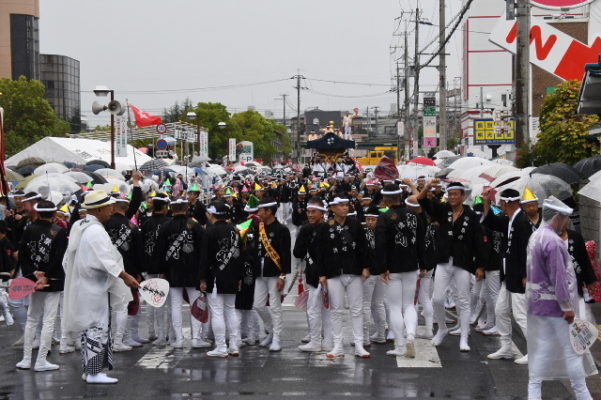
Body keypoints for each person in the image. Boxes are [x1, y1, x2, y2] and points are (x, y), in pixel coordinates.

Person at [62, 190, 139, 384]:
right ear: (97, 209)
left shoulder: (81, 224)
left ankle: (90, 370)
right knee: (97, 328)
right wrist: (125, 276)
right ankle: (94, 372)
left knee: (90, 329)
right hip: (93, 287)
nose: (112, 210)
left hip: (86, 284)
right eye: (108, 207)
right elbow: (106, 260)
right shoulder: (95, 230)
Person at [526, 196, 596, 400]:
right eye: (565, 218)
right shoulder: (554, 242)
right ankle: (583, 395)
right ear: (557, 217)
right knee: (573, 351)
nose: (567, 223)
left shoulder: (536, 236)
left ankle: (534, 393)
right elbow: (559, 278)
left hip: (539, 304)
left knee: (543, 349)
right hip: (557, 307)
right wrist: (567, 307)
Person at [417, 180, 485, 352]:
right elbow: (421, 200)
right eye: (451, 194)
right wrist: (427, 187)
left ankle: (464, 337)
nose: (453, 197)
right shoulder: (443, 210)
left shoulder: (471, 216)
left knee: (463, 300)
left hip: (463, 262)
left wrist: (480, 266)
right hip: (443, 260)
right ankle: (442, 328)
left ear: (463, 196)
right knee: (437, 299)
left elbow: (479, 241)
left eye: (456, 194)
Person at [15, 200, 68, 371]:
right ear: (54, 214)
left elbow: (22, 255)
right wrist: (46, 275)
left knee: (32, 318)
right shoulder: (59, 231)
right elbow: (59, 258)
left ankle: (26, 359)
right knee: (49, 320)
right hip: (53, 280)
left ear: (37, 212)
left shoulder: (29, 229)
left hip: (33, 280)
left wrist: (33, 274)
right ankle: (41, 361)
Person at [482, 188, 532, 364]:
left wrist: (526, 274)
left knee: (520, 314)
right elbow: (491, 222)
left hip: (519, 275)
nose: (501, 206)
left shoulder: (522, 222)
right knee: (500, 310)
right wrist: (486, 202)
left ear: (508, 202)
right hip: (507, 274)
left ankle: (534, 352)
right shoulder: (509, 220)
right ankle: (506, 347)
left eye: (502, 203)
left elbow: (528, 251)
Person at [317, 196, 370, 358]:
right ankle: (337, 345)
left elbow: (364, 246)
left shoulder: (355, 225)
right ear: (332, 208)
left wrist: (366, 267)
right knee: (336, 310)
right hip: (333, 273)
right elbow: (320, 252)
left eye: (347, 205)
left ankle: (359, 344)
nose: (345, 208)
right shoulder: (325, 227)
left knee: (356, 309)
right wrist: (321, 273)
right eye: (341, 206)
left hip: (354, 271)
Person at [376, 184, 426, 357]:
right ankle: (411, 333)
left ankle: (400, 344)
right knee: (409, 304)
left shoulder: (385, 217)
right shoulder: (414, 215)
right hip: (412, 265)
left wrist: (382, 268)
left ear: (387, 199)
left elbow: (380, 245)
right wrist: (424, 264)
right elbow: (421, 241)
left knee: (395, 307)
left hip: (393, 268)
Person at [157, 198, 209, 349]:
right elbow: (202, 251)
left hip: (172, 271)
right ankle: (196, 338)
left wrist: (162, 271)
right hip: (193, 271)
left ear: (172, 208)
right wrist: (203, 273)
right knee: (196, 304)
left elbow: (160, 252)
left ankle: (178, 339)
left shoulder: (166, 226)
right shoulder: (196, 225)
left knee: (175, 306)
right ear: (186, 208)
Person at [201, 199, 243, 358]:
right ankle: (233, 345)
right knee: (231, 310)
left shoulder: (209, 231)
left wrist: (202, 278)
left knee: (217, 312)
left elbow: (205, 258)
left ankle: (221, 347)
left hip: (216, 277)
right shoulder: (235, 230)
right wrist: (239, 276)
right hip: (233, 275)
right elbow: (240, 255)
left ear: (212, 214)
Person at [249, 197, 291, 352]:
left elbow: (286, 255)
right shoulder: (257, 227)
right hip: (259, 272)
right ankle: (271, 331)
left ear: (269, 211)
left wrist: (283, 275)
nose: (259, 213)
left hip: (274, 272)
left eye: (261, 210)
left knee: (275, 306)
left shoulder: (282, 230)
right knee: (258, 305)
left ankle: (277, 338)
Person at [105, 194, 145, 351]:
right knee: (128, 304)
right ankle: (124, 338)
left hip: (108, 269)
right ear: (127, 208)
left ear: (113, 207)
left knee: (108, 305)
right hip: (129, 272)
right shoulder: (132, 226)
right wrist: (139, 272)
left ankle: (109, 337)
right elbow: (138, 253)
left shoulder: (104, 224)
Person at [294, 197, 331, 352]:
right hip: (315, 273)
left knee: (320, 310)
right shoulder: (306, 229)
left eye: (314, 212)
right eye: (308, 211)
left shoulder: (326, 228)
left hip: (325, 275)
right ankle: (323, 341)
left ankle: (321, 341)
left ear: (322, 213)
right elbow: (297, 252)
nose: (310, 215)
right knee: (320, 310)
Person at [140, 193, 171, 346]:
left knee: (152, 302)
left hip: (150, 267)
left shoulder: (145, 223)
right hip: (166, 268)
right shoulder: (169, 222)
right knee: (168, 303)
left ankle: (153, 333)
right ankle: (167, 333)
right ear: (164, 207)